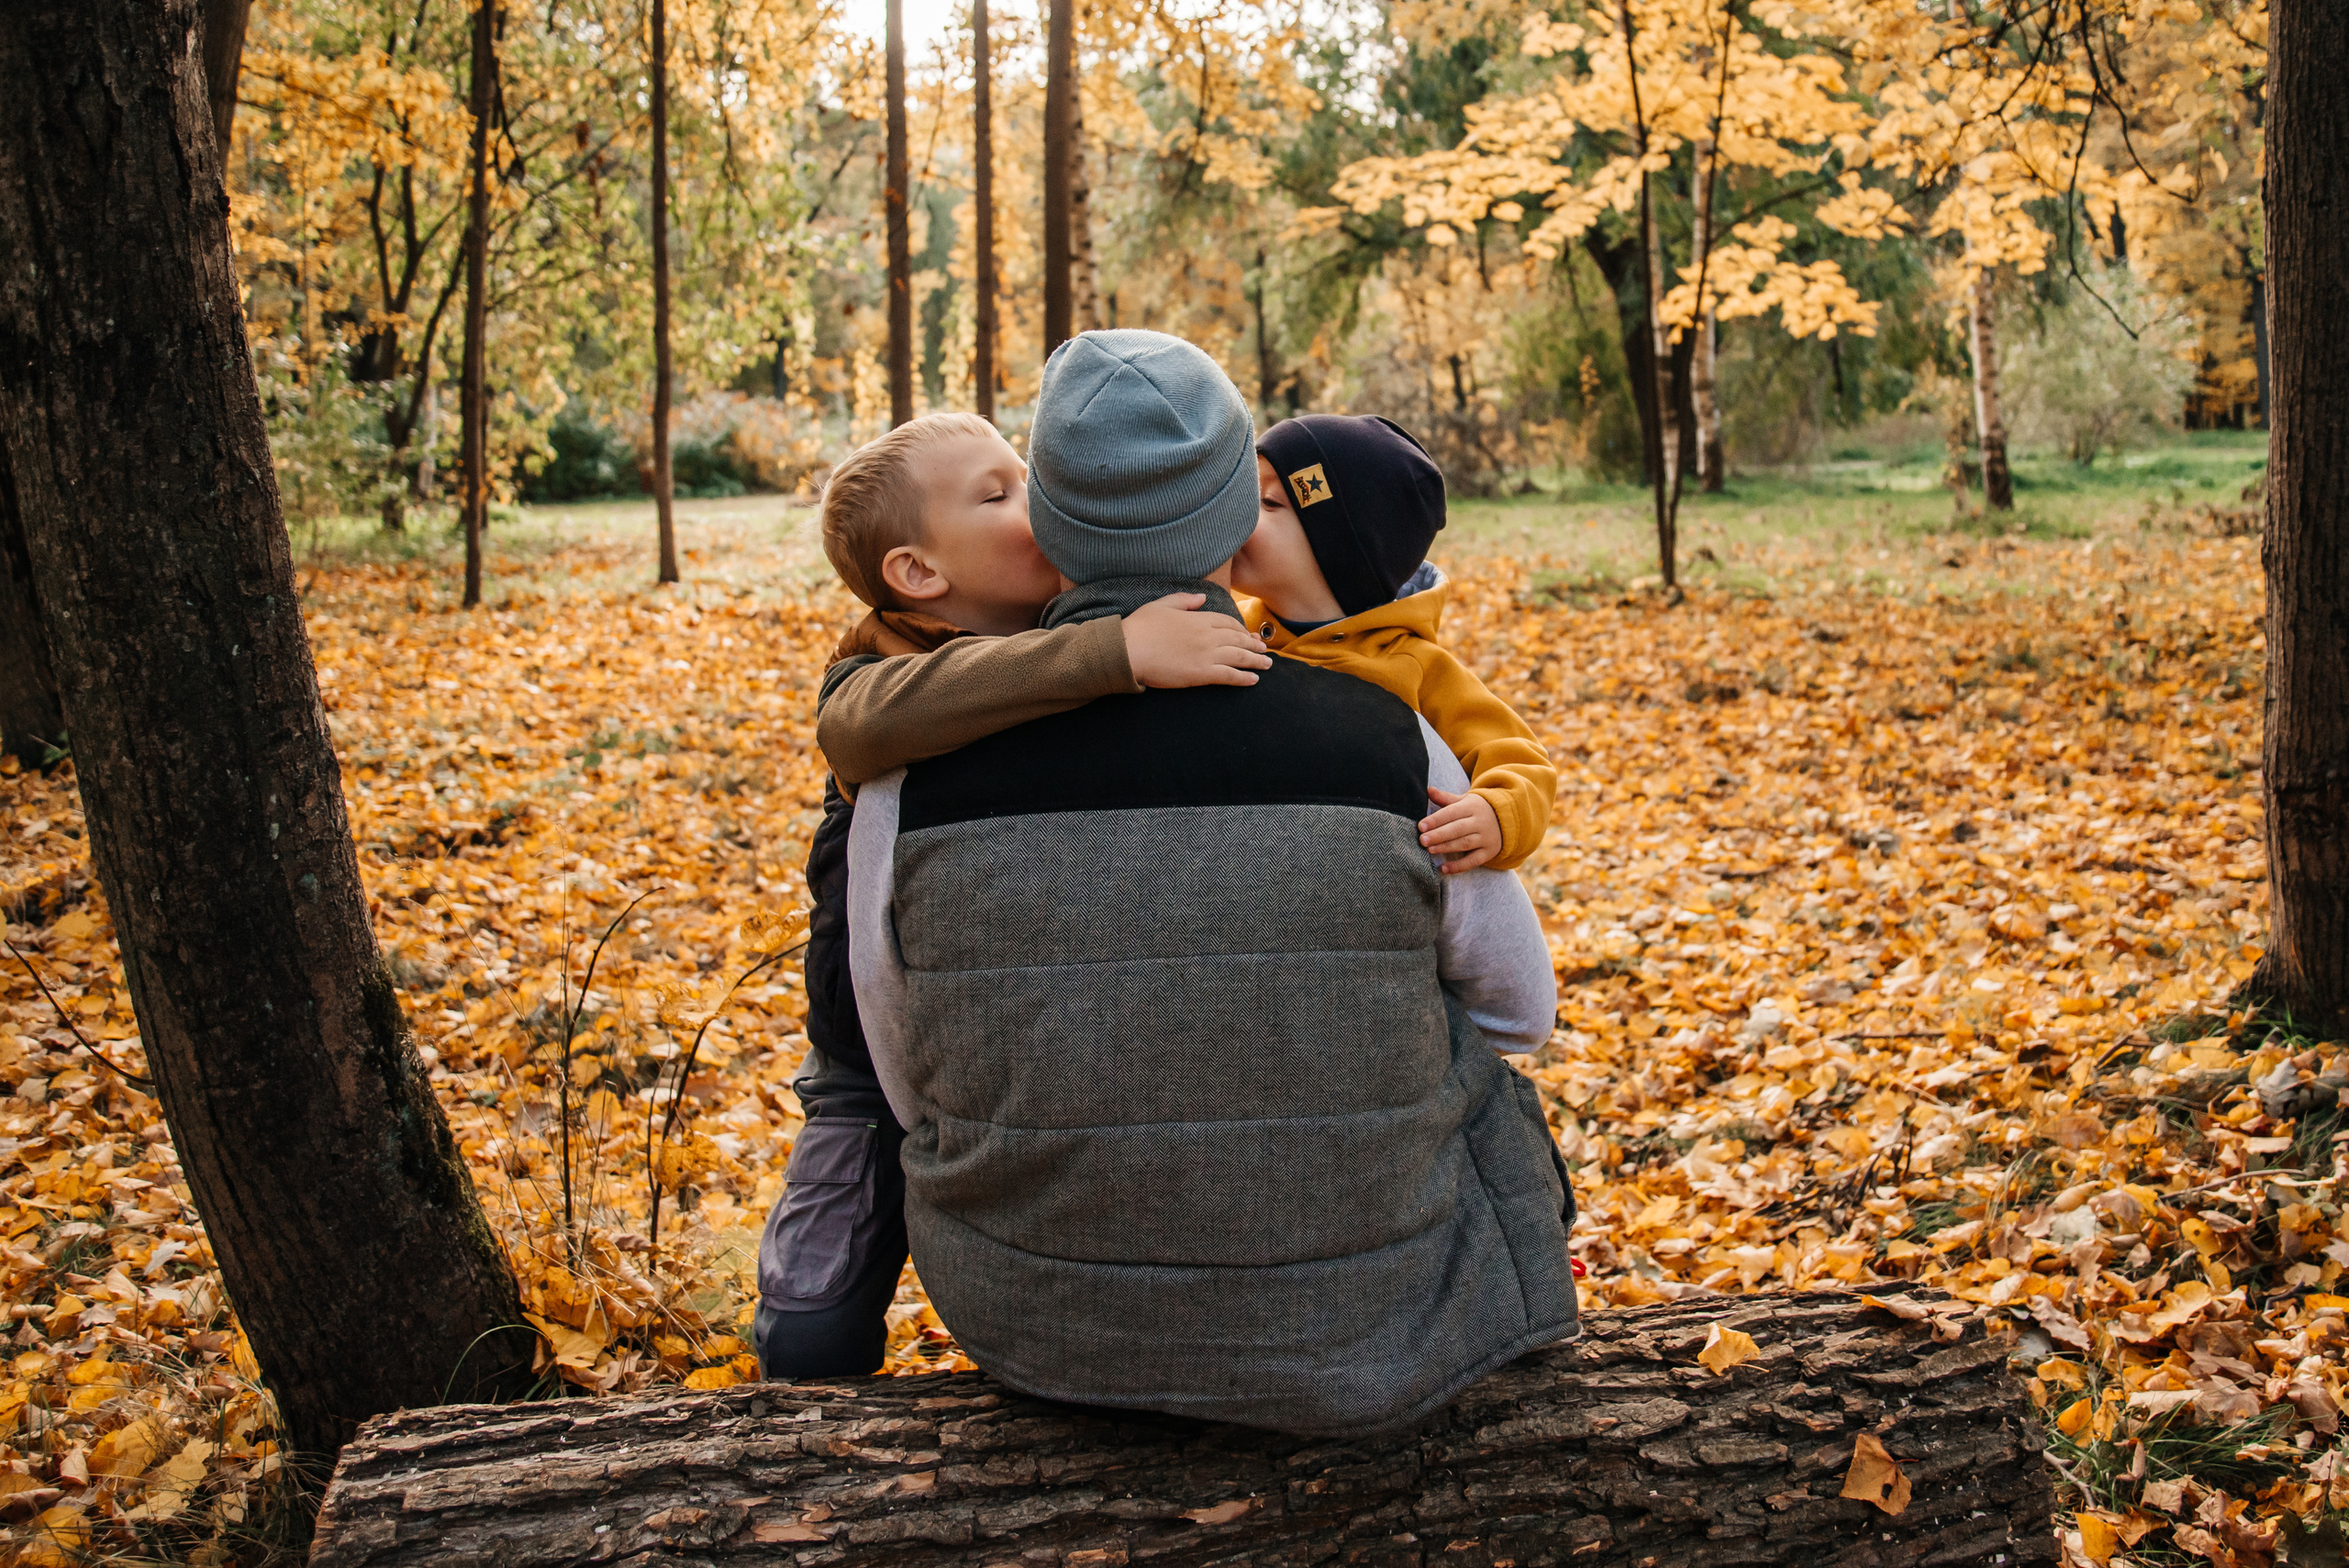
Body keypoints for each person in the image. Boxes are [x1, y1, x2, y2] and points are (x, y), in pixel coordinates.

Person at [844, 329, 1576, 1434]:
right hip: (1374, 1308)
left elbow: (904, 1069)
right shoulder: (1391, 738)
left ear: (1048, 518)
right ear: (1235, 520)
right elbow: (1521, 1009)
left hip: (1042, 1318)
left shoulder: (907, 764)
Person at [751, 411, 1267, 1378]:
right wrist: (1114, 652)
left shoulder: (1051, 621)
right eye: (999, 494)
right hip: (867, 1061)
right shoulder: (879, 666)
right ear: (918, 574)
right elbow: (857, 725)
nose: (1037, 502)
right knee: (811, 1323)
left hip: (1003, 1041)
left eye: (1027, 475)